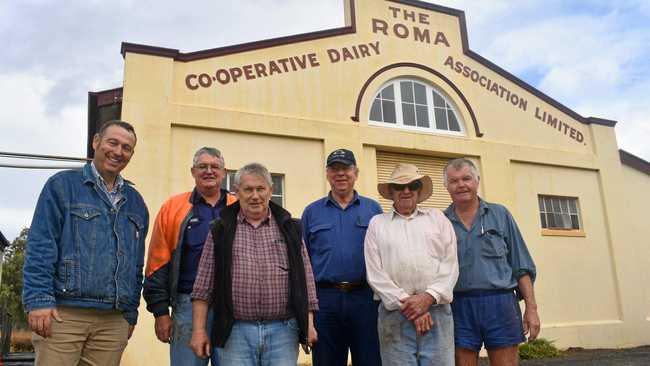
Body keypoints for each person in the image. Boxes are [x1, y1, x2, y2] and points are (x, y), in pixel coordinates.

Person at [22, 120, 149, 366]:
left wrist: (130, 314)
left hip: (114, 321)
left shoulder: (136, 202)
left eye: (126, 148)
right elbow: (41, 246)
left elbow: (136, 265)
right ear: (96, 142)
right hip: (63, 314)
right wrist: (38, 300)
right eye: (113, 142)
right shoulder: (62, 186)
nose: (118, 151)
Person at [189, 162, 318, 366]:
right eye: (248, 189)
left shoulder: (290, 228)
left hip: (283, 332)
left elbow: (306, 279)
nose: (255, 196)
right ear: (237, 191)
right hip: (234, 332)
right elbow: (202, 287)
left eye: (260, 189)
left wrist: (309, 323)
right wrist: (198, 330)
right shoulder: (220, 229)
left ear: (270, 191)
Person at [143, 147, 236, 365]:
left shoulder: (239, 207)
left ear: (224, 172)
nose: (209, 171)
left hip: (232, 307)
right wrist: (160, 313)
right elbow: (157, 263)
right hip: (187, 306)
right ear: (192, 171)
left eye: (215, 167)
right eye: (202, 166)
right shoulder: (172, 208)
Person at [443, 158, 540, 366]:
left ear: (477, 180)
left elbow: (521, 265)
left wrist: (531, 309)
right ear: (447, 187)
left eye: (466, 178)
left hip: (501, 303)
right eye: (454, 181)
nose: (461, 185)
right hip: (458, 305)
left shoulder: (500, 214)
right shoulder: (440, 223)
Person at [365, 163, 458, 365]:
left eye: (412, 185)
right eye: (399, 186)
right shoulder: (377, 224)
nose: (406, 191)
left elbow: (450, 264)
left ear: (419, 189)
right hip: (394, 316)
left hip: (437, 313)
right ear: (391, 191)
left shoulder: (438, 218)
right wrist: (410, 306)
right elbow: (375, 274)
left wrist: (427, 298)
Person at [301, 148, 383, 366]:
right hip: (325, 301)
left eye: (346, 168)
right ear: (327, 174)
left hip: (365, 299)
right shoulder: (311, 212)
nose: (340, 174)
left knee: (370, 360)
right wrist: (307, 313)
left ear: (356, 172)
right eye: (335, 169)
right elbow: (303, 263)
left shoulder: (373, 209)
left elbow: (385, 255)